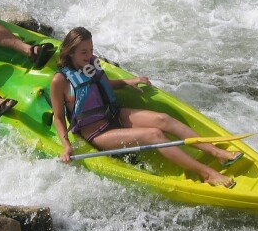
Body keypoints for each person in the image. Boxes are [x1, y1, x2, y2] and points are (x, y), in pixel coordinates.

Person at [50, 27, 243, 188]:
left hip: (114, 115)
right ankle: (207, 174)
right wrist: (66, 146)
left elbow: (103, 84)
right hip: (96, 132)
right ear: (70, 52)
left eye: (91, 49)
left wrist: (127, 81)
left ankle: (218, 154)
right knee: (154, 134)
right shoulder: (60, 81)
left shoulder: (91, 63)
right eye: (83, 52)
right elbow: (58, 117)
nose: (89, 55)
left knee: (163, 119)